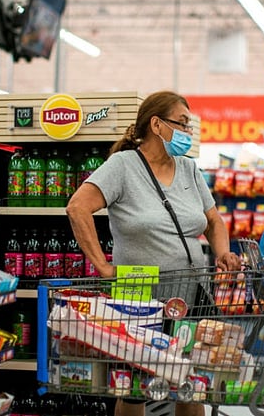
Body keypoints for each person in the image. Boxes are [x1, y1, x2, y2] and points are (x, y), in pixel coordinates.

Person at [66, 90, 241, 416]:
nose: (188, 132)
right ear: (157, 125)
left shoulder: (189, 169)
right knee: (133, 389)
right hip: (138, 297)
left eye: (191, 125)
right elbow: (77, 208)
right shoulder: (123, 166)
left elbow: (214, 221)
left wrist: (223, 253)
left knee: (190, 386)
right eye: (183, 123)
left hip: (189, 293)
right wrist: (103, 267)